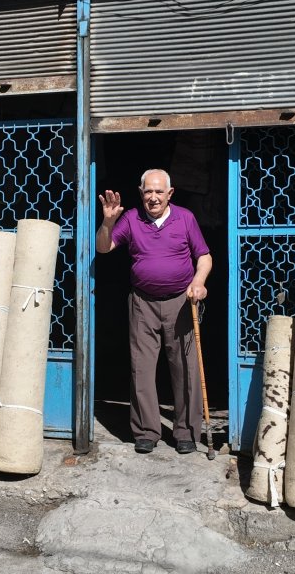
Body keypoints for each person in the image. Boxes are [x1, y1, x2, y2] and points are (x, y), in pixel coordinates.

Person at [97, 169, 213, 454]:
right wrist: (108, 222)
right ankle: (147, 430)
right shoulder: (131, 219)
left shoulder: (185, 218)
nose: (153, 197)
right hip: (142, 302)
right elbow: (103, 247)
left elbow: (204, 256)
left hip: (180, 301)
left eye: (159, 192)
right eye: (148, 191)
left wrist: (199, 282)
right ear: (141, 193)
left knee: (185, 368)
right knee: (142, 368)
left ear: (170, 194)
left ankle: (186, 431)